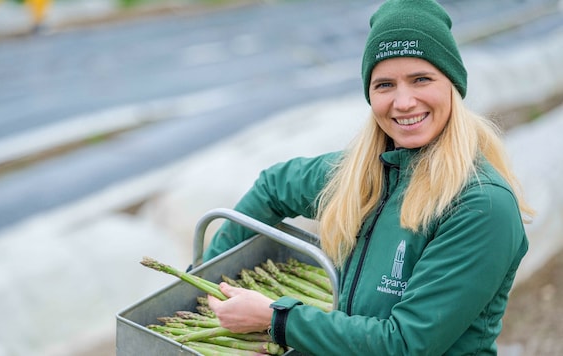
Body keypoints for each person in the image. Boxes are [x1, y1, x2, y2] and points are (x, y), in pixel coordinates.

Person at [203, 0, 534, 354]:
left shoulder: (481, 204)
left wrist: (277, 321)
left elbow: (405, 343)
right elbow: (273, 187)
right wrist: (206, 279)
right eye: (385, 84)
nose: (403, 101)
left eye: (421, 79)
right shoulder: (364, 175)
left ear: (452, 85)